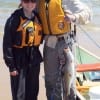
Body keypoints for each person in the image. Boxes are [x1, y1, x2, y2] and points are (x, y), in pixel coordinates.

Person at [38, 0, 92, 100]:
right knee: (51, 82)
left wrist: (74, 17)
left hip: (65, 43)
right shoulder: (37, 2)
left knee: (69, 83)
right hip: (49, 45)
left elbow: (87, 13)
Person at [3, 0, 43, 100]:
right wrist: (11, 67)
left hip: (34, 59)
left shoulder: (37, 17)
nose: (30, 4)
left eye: (33, 1)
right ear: (21, 2)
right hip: (19, 60)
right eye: (26, 1)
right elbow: (7, 44)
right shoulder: (14, 19)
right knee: (19, 94)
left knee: (33, 92)